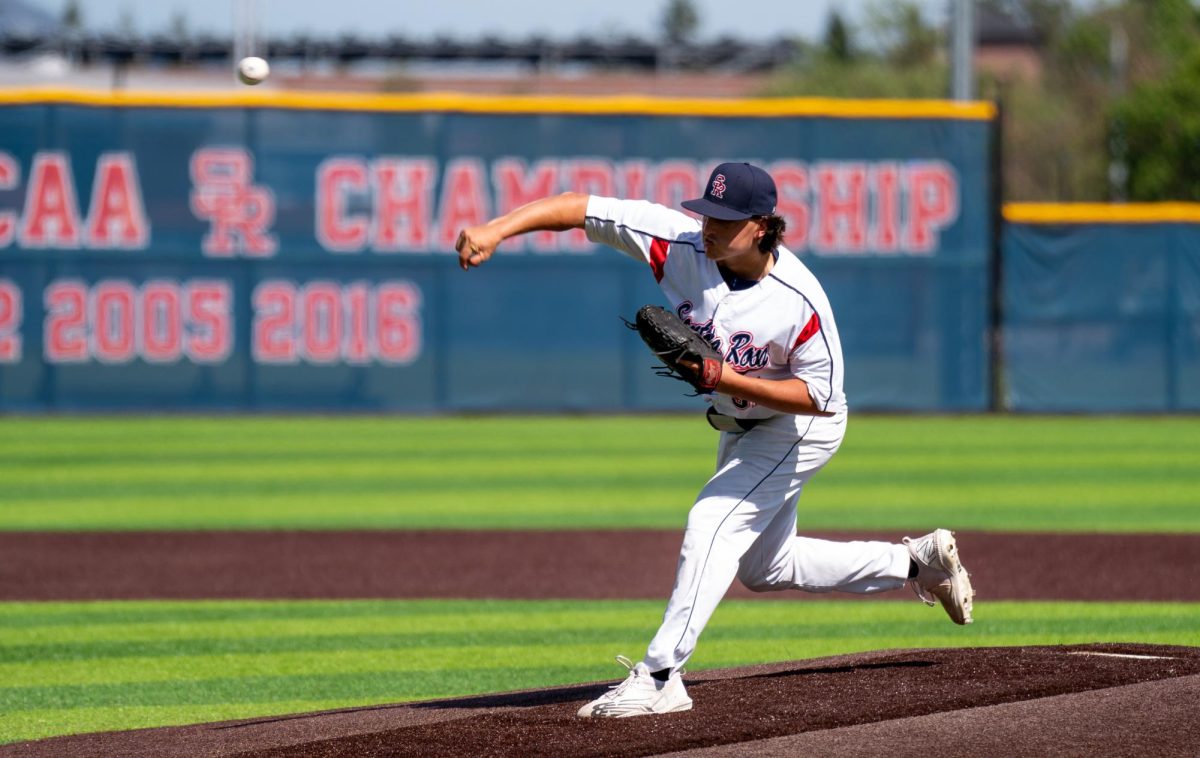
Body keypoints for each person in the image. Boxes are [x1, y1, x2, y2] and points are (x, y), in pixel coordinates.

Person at [454, 162, 975, 719]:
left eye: (725, 221)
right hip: (739, 423)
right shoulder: (676, 244)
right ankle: (916, 564)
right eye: (706, 214)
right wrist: (496, 229)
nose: (709, 228)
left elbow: (819, 397)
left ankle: (660, 675)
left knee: (712, 521)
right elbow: (578, 207)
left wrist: (723, 379)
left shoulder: (799, 299)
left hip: (802, 427)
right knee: (764, 569)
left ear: (762, 226)